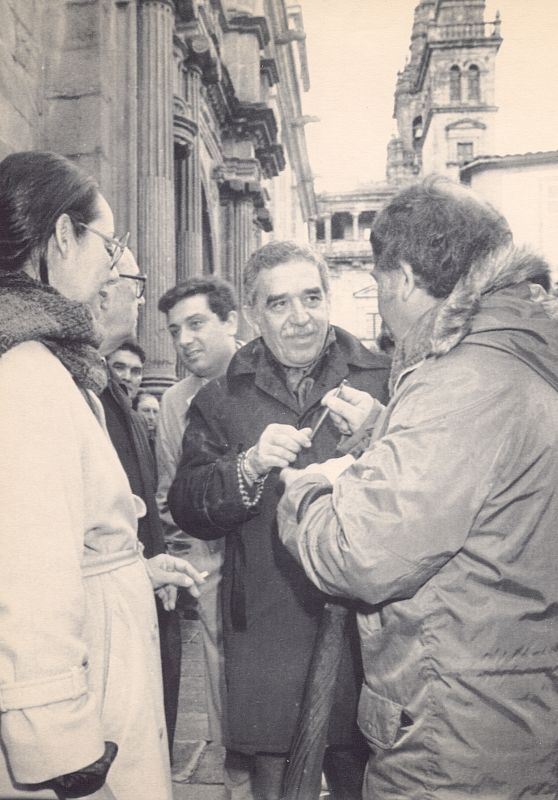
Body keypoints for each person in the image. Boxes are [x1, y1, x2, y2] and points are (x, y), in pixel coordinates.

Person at [277, 177, 558, 799]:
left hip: (453, 728)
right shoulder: (519, 356)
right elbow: (493, 489)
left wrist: (309, 492)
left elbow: (362, 556)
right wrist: (386, 434)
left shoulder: (459, 380)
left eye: (378, 282)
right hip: (513, 699)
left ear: (402, 277)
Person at [0, 150, 205, 800]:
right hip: (80, 719)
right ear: (62, 236)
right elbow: (27, 574)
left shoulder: (50, 362)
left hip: (99, 652)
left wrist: (127, 571)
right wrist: (64, 750)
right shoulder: (30, 373)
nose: (116, 264)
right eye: (108, 243)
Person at [168, 241, 390, 799]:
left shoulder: (382, 378)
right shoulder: (221, 398)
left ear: (328, 297)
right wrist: (245, 467)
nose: (300, 318)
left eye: (311, 298)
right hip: (267, 630)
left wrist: (383, 431)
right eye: (280, 304)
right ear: (252, 314)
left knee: (364, 781)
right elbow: (188, 506)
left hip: (365, 631)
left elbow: (437, 483)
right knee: (274, 788)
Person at [96, 248, 181, 758]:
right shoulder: (74, 389)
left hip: (142, 586)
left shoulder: (111, 398)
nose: (140, 297)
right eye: (134, 283)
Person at [156, 277, 239, 748]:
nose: (184, 340)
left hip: (282, 571)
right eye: (173, 330)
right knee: (223, 700)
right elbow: (171, 492)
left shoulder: (273, 374)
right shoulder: (174, 402)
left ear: (231, 321)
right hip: (214, 569)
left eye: (196, 323)